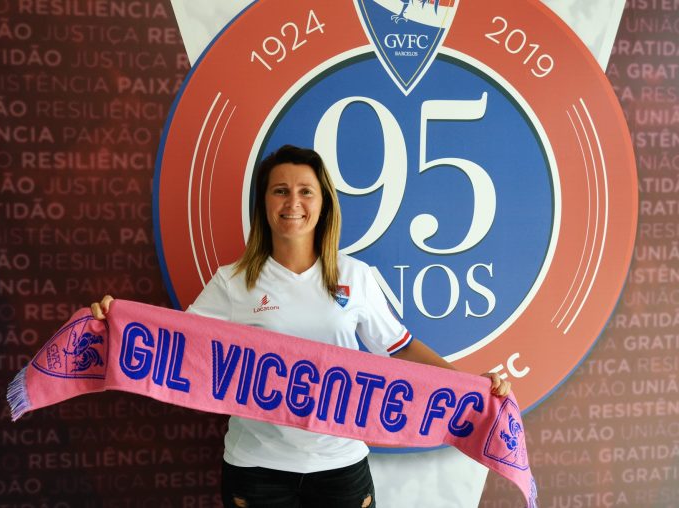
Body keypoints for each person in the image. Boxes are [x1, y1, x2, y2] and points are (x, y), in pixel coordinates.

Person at [91, 145, 510, 508]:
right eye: (280, 190)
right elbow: (174, 345)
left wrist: (471, 389)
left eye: (305, 191)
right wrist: (116, 324)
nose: (293, 202)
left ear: (323, 202)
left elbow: (400, 347)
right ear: (264, 203)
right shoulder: (233, 281)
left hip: (340, 466)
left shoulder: (355, 275)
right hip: (257, 468)